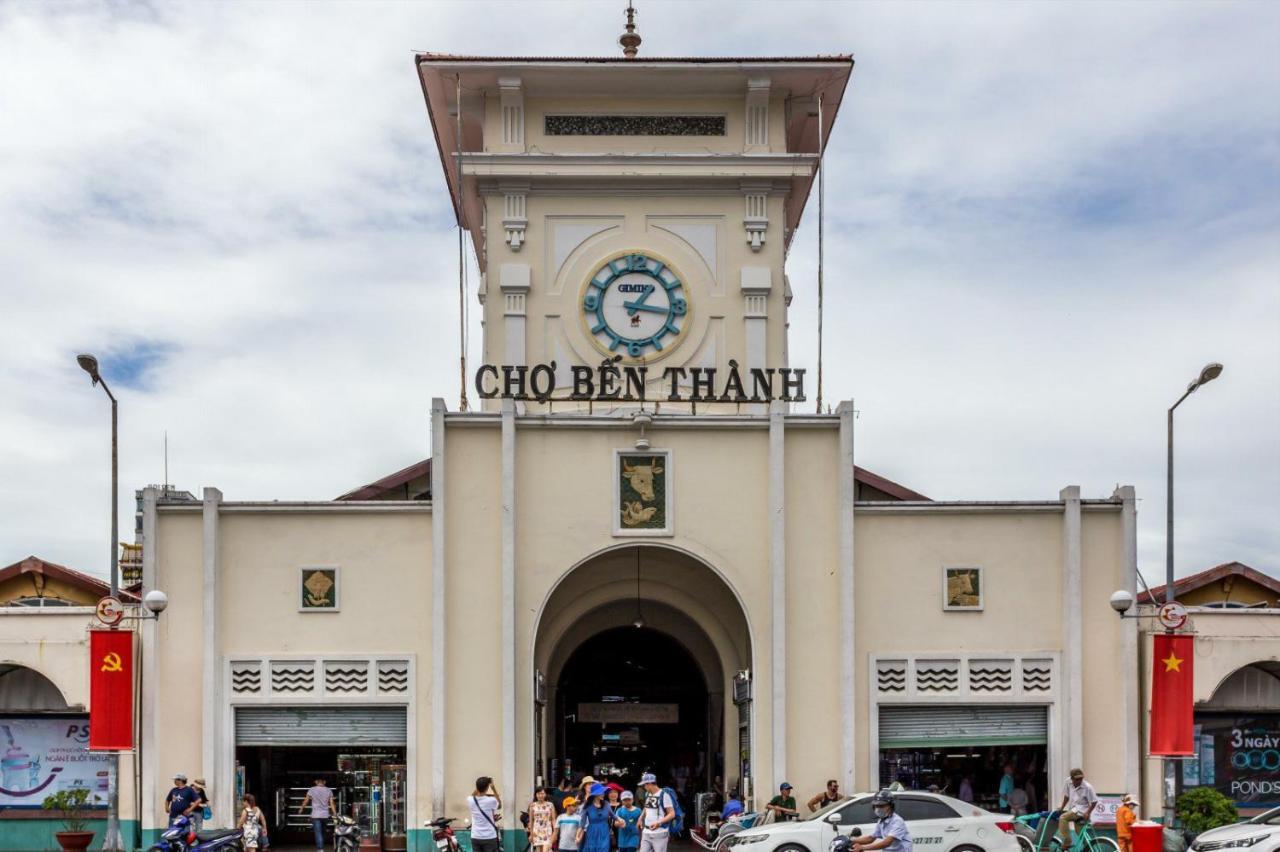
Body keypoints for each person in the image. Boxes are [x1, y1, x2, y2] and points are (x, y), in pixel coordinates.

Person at [1057, 768, 1098, 847]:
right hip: (1073, 809)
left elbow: (1094, 801)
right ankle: (1088, 848)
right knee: (1080, 834)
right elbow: (1066, 796)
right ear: (1072, 778)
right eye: (1077, 779)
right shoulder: (1068, 782)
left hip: (1081, 811)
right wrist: (1062, 807)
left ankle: (1067, 841)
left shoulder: (1087, 787)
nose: (1079, 780)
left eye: (1081, 778)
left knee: (1063, 818)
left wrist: (1088, 812)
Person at [639, 773, 676, 852]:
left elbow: (672, 814)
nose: (644, 787)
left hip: (660, 832)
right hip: (646, 831)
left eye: (644, 785)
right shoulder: (647, 794)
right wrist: (640, 818)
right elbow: (646, 807)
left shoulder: (664, 795)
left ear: (649, 784)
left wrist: (659, 822)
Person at [299, 776, 335, 851]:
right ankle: (321, 846)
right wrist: (335, 813)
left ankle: (320, 849)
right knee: (322, 832)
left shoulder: (312, 790)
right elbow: (332, 803)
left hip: (315, 815)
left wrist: (301, 809)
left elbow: (306, 801)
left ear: (316, 782)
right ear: (324, 782)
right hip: (325, 815)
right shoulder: (328, 790)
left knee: (318, 832)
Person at [470, 776, 504, 852]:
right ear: (487, 788)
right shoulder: (491, 800)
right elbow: (499, 805)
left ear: (477, 787)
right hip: (489, 837)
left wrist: (479, 786)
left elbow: (472, 795)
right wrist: (493, 788)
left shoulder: (471, 800)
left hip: (475, 836)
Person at [580, 783, 614, 852]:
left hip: (604, 831)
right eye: (601, 792)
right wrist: (578, 836)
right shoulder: (587, 806)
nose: (603, 794)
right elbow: (582, 824)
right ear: (595, 794)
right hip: (592, 832)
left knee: (603, 849)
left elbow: (613, 815)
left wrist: (621, 820)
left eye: (603, 792)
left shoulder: (606, 804)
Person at [529, 786, 557, 852]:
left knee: (546, 850)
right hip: (537, 831)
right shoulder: (532, 806)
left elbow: (553, 819)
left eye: (542, 793)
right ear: (536, 795)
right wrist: (531, 834)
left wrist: (555, 832)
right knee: (538, 851)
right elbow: (531, 821)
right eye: (539, 793)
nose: (541, 795)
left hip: (547, 831)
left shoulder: (550, 805)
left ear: (545, 794)